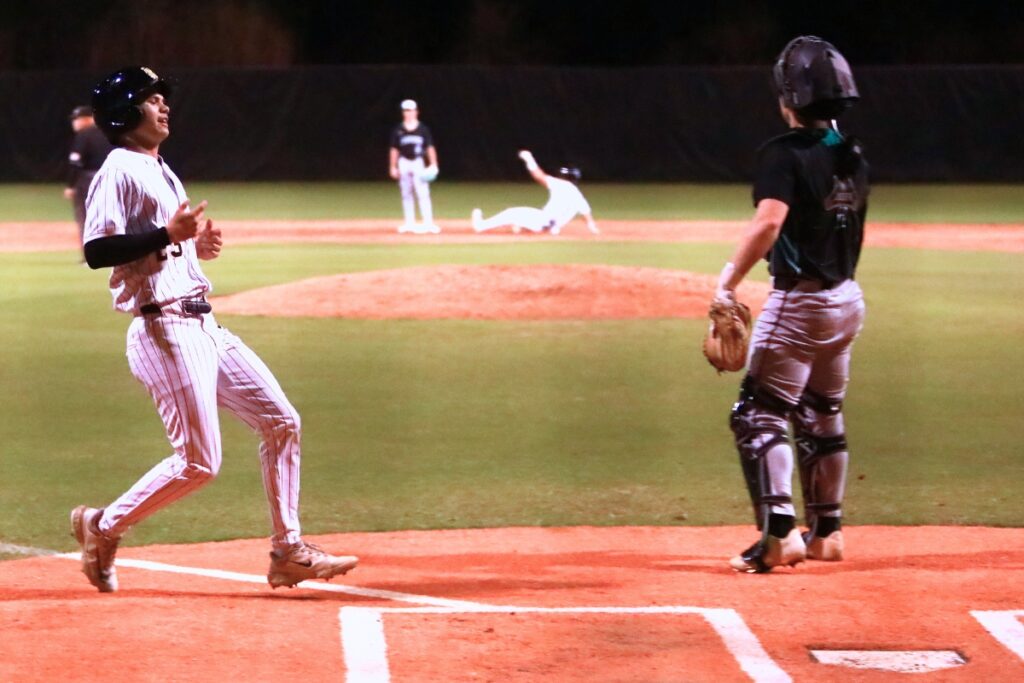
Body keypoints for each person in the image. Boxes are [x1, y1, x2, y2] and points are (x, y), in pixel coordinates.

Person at [70, 66, 358, 593]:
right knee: (200, 463)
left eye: (163, 98)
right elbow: (96, 250)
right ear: (126, 112)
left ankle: (288, 551)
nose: (164, 106)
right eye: (153, 99)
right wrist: (166, 233)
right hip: (165, 333)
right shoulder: (119, 168)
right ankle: (103, 525)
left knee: (281, 422)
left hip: (204, 325)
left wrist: (186, 245)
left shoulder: (159, 166)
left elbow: (154, 244)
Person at [714, 37, 868, 573]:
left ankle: (779, 533)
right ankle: (827, 532)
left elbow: (770, 222)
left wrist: (727, 281)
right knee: (822, 412)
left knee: (758, 414)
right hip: (847, 301)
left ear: (788, 97)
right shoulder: (850, 153)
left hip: (801, 302)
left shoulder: (783, 153)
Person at [471, 150, 599, 236]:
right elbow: (586, 213)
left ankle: (481, 226)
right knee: (527, 217)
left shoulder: (561, 185)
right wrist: (593, 228)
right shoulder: (578, 194)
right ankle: (522, 227)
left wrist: (529, 159)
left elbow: (539, 176)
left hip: (542, 220)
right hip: (552, 228)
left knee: (511, 212)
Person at [63, 105, 112, 257]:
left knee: (85, 217)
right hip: (112, 179)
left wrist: (71, 185)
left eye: (76, 119)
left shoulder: (83, 135)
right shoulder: (110, 133)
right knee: (111, 217)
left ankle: (90, 256)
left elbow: (76, 162)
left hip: (88, 180)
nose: (74, 123)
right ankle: (114, 254)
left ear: (86, 119)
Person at [389, 98, 439, 234]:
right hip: (403, 162)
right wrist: (393, 167)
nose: (408, 113)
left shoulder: (423, 129)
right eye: (406, 110)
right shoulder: (398, 130)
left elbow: (429, 147)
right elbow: (394, 149)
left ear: (416, 112)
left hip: (418, 162)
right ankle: (409, 223)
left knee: (423, 193)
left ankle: (428, 223)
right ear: (403, 113)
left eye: (411, 110)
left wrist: (434, 163)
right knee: (406, 193)